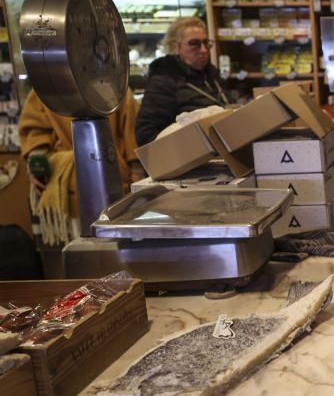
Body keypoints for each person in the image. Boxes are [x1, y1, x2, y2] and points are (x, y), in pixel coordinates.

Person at [19, 89, 142, 245]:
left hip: (111, 181)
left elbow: (131, 131)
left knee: (112, 249)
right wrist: (37, 167)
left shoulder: (113, 84)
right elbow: (35, 132)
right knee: (70, 255)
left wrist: (136, 177)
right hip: (60, 190)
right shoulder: (45, 84)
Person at [135, 17, 234, 146]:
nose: (204, 50)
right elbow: (146, 135)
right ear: (174, 47)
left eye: (206, 43)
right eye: (194, 43)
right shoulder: (163, 81)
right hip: (192, 159)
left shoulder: (212, 76)